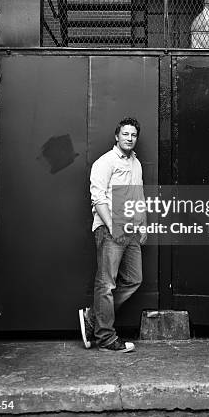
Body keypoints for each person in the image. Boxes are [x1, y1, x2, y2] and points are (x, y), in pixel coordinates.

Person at [79, 117, 147, 353]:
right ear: (117, 137)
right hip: (110, 230)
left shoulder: (136, 164)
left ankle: (94, 316)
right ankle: (106, 339)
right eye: (125, 134)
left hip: (130, 231)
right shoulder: (105, 162)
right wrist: (111, 226)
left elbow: (138, 197)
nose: (129, 138)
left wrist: (143, 225)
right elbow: (98, 198)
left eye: (133, 135)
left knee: (133, 279)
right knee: (106, 284)